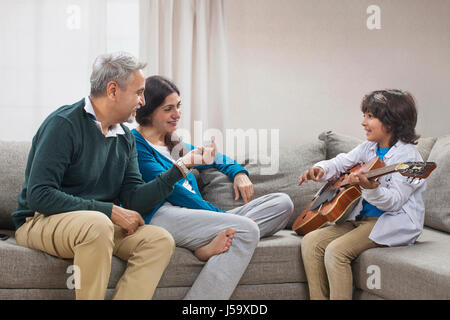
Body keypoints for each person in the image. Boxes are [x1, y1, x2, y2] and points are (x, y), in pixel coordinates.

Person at [11, 52, 214, 300]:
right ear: (113, 90)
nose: (142, 101)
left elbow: (134, 199)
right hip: (41, 220)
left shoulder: (125, 137)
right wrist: (110, 211)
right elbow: (40, 196)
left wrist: (179, 169)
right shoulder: (64, 125)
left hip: (97, 225)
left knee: (158, 239)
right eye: (139, 92)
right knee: (97, 224)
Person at [132, 75, 294, 300]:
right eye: (168, 108)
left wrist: (238, 172)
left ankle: (209, 243)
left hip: (196, 216)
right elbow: (175, 192)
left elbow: (215, 157)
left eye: (178, 106)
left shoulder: (174, 143)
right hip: (163, 215)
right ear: (148, 111)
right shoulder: (136, 145)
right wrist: (218, 216)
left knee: (282, 204)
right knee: (247, 230)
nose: (177, 114)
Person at [298, 89, 427, 300]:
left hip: (389, 221)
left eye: (370, 116)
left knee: (336, 252)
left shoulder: (409, 158)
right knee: (311, 243)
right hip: (361, 219)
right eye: (364, 115)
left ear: (391, 122)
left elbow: (394, 202)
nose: (363, 122)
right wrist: (320, 169)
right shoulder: (369, 147)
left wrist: (370, 188)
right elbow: (341, 162)